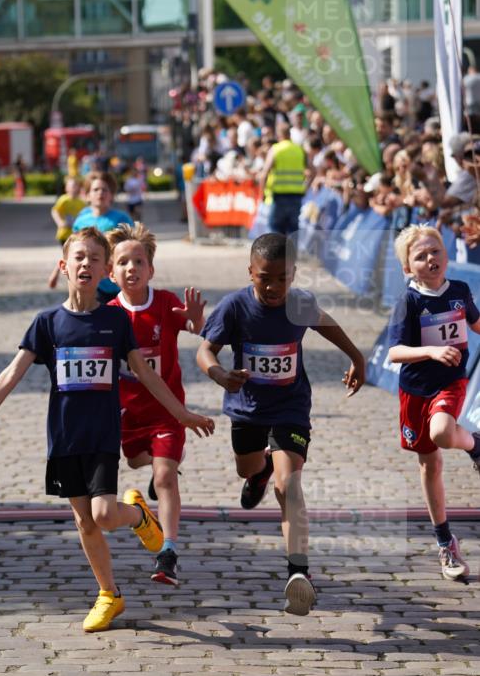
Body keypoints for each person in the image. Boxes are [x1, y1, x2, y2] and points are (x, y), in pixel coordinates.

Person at [0, 227, 214, 632]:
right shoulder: (47, 323)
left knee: (104, 514)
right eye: (78, 258)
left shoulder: (114, 321)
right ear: (63, 267)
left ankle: (139, 516)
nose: (86, 263)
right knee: (84, 522)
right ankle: (109, 594)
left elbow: (145, 375)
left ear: (105, 270)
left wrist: (182, 413)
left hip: (104, 435)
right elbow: (10, 375)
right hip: (65, 439)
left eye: (94, 258)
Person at [196, 232, 365, 616]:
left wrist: (357, 356)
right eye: (264, 278)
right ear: (250, 273)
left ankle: (297, 573)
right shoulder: (235, 307)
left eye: (282, 278)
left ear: (294, 275)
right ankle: (257, 473)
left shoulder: (301, 303)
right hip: (248, 409)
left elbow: (326, 323)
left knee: (289, 485)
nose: (273, 287)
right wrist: (220, 374)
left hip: (290, 407)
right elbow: (206, 349)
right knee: (249, 466)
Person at [107, 222, 207, 587]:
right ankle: (154, 479)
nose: (131, 268)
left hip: (167, 411)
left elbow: (194, 327)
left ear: (151, 269)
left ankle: (168, 552)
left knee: (165, 476)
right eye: (123, 262)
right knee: (135, 461)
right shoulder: (109, 313)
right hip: (128, 415)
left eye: (138, 261)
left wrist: (195, 316)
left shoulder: (164, 303)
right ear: (111, 271)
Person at [387, 225, 480, 582]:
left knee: (442, 432)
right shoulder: (408, 301)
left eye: (435, 252)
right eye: (421, 256)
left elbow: (476, 322)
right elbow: (395, 351)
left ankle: (475, 444)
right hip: (415, 390)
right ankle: (446, 541)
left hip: (451, 383)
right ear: (408, 267)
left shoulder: (459, 291)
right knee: (430, 466)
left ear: (446, 254)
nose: (431, 259)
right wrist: (429, 350)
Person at [72, 172, 133, 302]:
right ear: (87, 195)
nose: (101, 193)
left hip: (119, 283)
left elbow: (134, 248)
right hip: (93, 284)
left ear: (111, 195)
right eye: (96, 189)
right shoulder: (80, 222)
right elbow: (71, 253)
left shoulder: (122, 219)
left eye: (105, 189)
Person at [258, 120, 307, 236]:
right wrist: (305, 187)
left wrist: (262, 193)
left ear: (279, 134)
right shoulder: (299, 149)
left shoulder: (276, 149)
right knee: (293, 230)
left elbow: (264, 173)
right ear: (289, 134)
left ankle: (277, 254)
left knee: (275, 229)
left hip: (279, 196)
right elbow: (313, 171)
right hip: (296, 196)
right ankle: (292, 254)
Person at [47, 176, 85, 290]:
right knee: (68, 256)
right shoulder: (63, 199)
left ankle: (71, 278)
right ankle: (57, 275)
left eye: (76, 186)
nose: (74, 188)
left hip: (76, 235)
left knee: (70, 257)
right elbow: (54, 211)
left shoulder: (81, 202)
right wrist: (60, 222)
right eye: (72, 186)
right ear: (66, 188)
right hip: (64, 234)